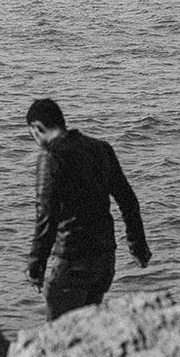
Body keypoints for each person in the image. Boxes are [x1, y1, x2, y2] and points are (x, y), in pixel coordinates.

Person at [25, 98, 151, 320]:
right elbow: (128, 200)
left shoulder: (51, 157)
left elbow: (46, 217)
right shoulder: (101, 148)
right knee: (86, 335)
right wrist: (138, 247)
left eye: (32, 135)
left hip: (72, 263)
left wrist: (36, 266)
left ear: (38, 128)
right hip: (104, 262)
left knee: (59, 341)